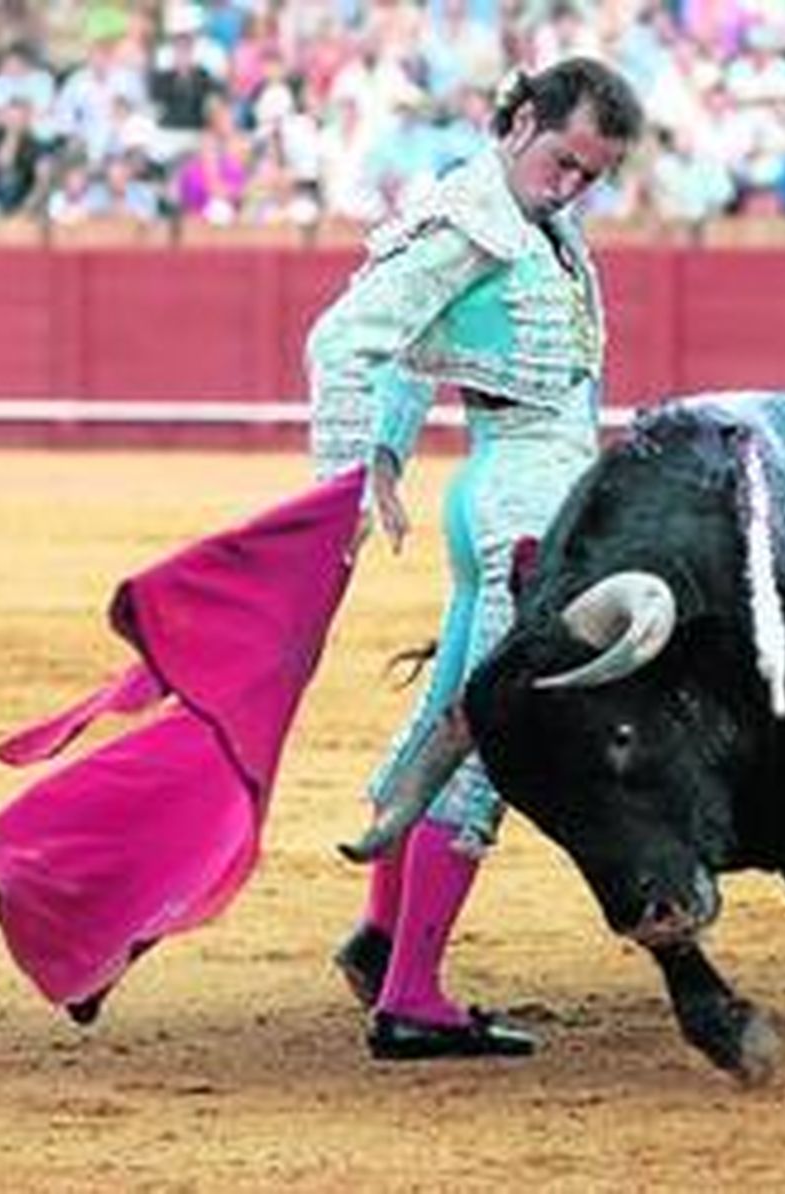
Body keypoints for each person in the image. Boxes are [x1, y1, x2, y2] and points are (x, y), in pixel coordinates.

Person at [305, 56, 644, 1061]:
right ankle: (411, 996)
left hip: (518, 499)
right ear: (522, 119)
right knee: (493, 742)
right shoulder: (476, 219)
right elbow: (348, 339)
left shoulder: (528, 218)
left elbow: (413, 347)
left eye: (592, 175)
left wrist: (391, 451)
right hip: (519, 517)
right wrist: (352, 469)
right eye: (563, 159)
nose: (572, 185)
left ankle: (379, 941)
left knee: (446, 714)